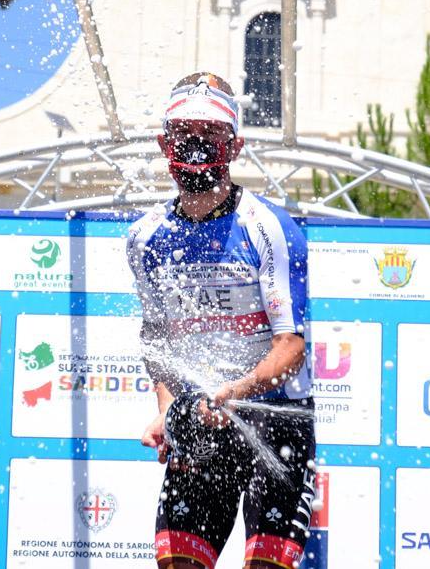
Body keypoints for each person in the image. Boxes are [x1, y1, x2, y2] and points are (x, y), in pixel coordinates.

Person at [127, 73, 316, 569]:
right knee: (178, 564)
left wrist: (238, 389)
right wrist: (170, 410)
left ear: (235, 145)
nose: (196, 144)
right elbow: (157, 341)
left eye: (210, 133)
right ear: (163, 142)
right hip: (202, 422)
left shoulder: (269, 226)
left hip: (276, 418)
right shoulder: (145, 238)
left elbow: (291, 347)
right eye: (185, 131)